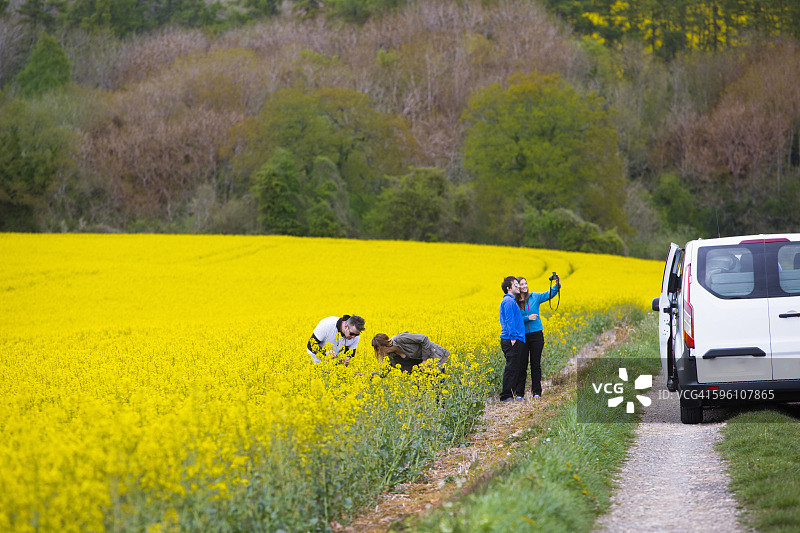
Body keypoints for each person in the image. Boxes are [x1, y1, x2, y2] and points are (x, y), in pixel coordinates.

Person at [516, 275, 560, 398]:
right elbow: (514, 318)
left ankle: (536, 392)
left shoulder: (535, 296)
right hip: (522, 335)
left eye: (525, 283)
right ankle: (519, 393)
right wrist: (527, 318)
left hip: (536, 334)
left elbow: (549, 294)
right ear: (517, 287)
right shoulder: (514, 301)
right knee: (522, 365)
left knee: (535, 364)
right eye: (521, 284)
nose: (524, 286)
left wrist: (557, 284)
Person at [499, 276, 525, 402]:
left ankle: (510, 394)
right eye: (516, 285)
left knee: (515, 367)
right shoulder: (509, 302)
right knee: (511, 367)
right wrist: (513, 337)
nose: (518, 286)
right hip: (511, 339)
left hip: (513, 338)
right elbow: (509, 320)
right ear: (509, 288)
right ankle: (506, 395)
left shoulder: (511, 301)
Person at [372, 332, 450, 373]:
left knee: (438, 392)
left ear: (384, 346)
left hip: (434, 358)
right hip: (421, 369)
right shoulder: (392, 356)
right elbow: (386, 371)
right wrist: (368, 375)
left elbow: (424, 339)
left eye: (378, 349)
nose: (378, 353)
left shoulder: (400, 339)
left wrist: (425, 360)